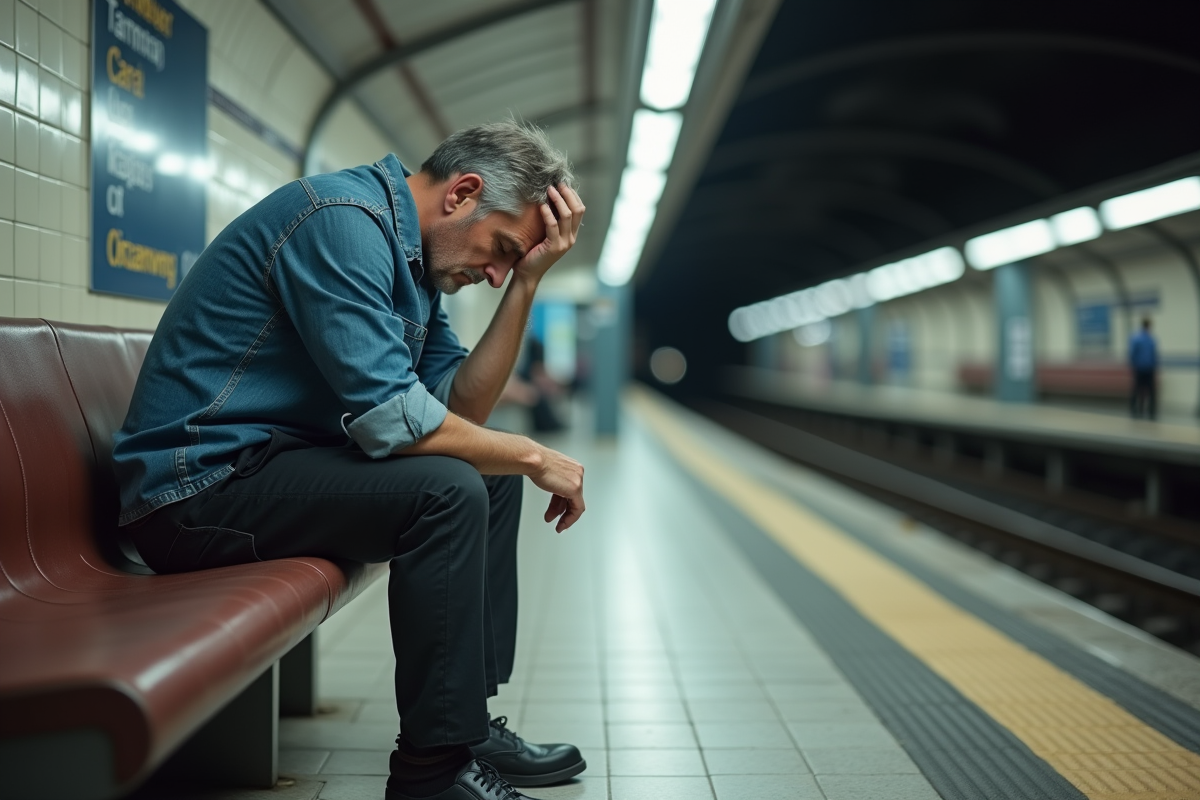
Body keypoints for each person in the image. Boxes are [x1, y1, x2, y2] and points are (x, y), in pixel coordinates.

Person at [113, 121, 587, 800]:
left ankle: (468, 726)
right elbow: (395, 419)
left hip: (268, 470)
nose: (492, 272)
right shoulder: (339, 221)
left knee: (488, 475)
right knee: (449, 491)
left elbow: (460, 410)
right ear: (463, 193)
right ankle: (433, 773)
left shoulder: (412, 262)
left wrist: (526, 285)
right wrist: (534, 451)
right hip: (195, 492)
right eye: (502, 250)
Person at [1129, 317, 1158, 420]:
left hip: (1139, 368)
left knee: (1137, 389)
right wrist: (1155, 366)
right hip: (1149, 368)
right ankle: (1152, 411)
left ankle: (1136, 409)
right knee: (1151, 391)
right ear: (1148, 326)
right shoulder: (1151, 339)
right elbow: (1154, 355)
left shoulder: (1136, 338)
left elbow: (1132, 354)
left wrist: (1133, 365)